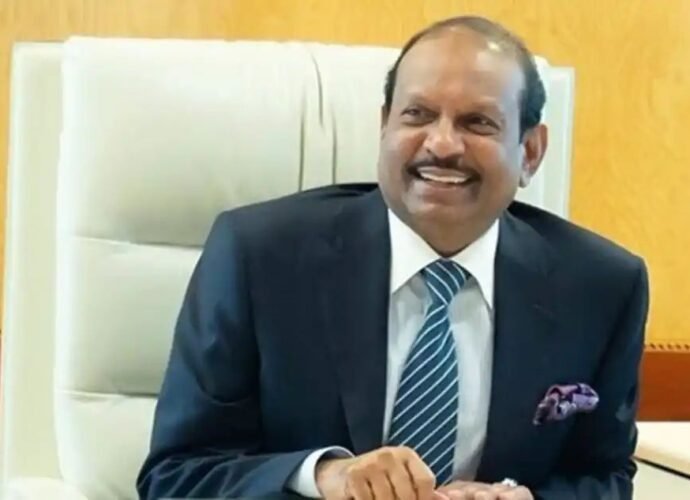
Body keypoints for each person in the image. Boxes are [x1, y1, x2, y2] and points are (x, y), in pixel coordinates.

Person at [137, 15, 648, 500]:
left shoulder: (600, 288)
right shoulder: (259, 257)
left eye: (477, 122)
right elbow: (177, 475)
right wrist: (325, 477)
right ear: (384, 126)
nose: (442, 144)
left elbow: (603, 477)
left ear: (530, 151)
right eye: (417, 115)